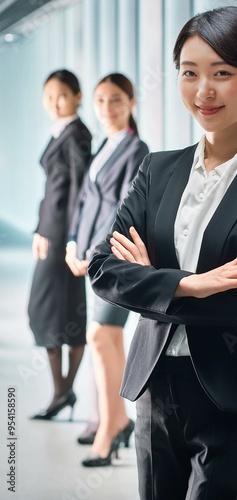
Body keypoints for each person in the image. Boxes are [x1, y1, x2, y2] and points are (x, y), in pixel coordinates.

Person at [89, 6, 237, 499]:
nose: (203, 91)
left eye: (222, 73)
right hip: (154, 386)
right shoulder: (157, 169)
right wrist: (189, 282)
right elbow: (104, 268)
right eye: (189, 74)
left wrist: (151, 279)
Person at [65, 73, 149, 467]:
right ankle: (113, 419)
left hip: (113, 259)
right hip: (88, 255)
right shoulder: (104, 146)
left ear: (131, 103)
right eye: (99, 101)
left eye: (115, 100)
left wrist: (93, 252)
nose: (106, 109)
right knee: (106, 338)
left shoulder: (137, 149)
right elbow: (84, 201)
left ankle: (111, 426)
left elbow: (122, 208)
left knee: (100, 335)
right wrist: (71, 243)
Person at [29, 69, 92, 421]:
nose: (54, 102)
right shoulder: (65, 132)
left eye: (62, 95)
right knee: (59, 312)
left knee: (54, 312)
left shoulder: (75, 136)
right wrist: (41, 229)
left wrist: (72, 239)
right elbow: (52, 192)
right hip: (52, 234)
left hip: (63, 239)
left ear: (77, 96)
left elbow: (78, 194)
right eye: (49, 96)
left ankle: (62, 392)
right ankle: (62, 392)